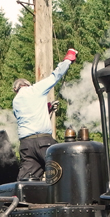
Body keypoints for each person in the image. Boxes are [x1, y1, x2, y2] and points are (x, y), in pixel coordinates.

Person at [12, 48, 78, 180]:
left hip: (26, 146)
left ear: (16, 89)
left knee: (26, 180)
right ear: (27, 84)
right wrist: (68, 59)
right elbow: (56, 75)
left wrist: (47, 109)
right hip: (43, 142)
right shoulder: (35, 89)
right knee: (63, 171)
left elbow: (29, 116)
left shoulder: (15, 101)